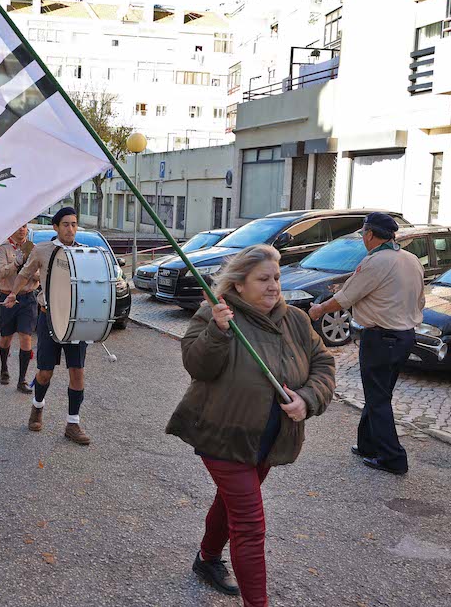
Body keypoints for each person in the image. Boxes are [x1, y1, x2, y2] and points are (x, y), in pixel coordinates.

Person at [166, 245, 335, 606]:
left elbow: (323, 365)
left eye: (276, 277)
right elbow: (198, 366)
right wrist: (218, 330)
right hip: (223, 434)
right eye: (263, 279)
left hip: (270, 438)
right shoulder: (217, 314)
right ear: (240, 285)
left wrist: (308, 398)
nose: (274, 285)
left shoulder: (296, 320)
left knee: (230, 505)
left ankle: (207, 559)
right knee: (250, 524)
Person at [309, 212, 424, 475]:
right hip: (405, 335)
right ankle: (367, 445)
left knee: (377, 398)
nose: (362, 237)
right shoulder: (411, 260)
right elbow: (420, 301)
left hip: (382, 337)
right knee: (379, 394)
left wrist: (317, 311)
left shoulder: (375, 261)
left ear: (370, 234)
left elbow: (345, 298)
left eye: (363, 232)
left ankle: (393, 458)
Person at [5, 207, 92, 445]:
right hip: (49, 318)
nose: (71, 229)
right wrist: (13, 293)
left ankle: (72, 424)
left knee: (77, 372)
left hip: (75, 321)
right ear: (55, 227)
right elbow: (25, 274)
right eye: (66, 224)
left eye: (74, 224)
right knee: (45, 373)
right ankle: (37, 407)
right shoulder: (43, 250)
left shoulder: (84, 253)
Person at [0, 225, 38, 391]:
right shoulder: (3, 249)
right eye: (18, 227)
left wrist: (28, 269)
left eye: (24, 226)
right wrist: (16, 263)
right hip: (7, 297)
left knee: (26, 337)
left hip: (28, 297)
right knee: (6, 338)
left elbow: (40, 274)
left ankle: (22, 380)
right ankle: (4, 368)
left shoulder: (33, 248)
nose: (22, 230)